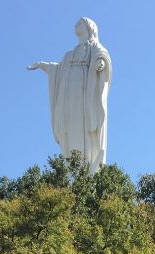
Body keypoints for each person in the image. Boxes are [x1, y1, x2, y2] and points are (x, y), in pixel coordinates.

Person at [28, 17, 111, 173]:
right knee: (69, 125)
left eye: (79, 23)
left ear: (89, 27)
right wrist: (43, 65)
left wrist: (101, 62)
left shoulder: (93, 46)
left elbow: (103, 55)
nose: (75, 25)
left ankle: (86, 166)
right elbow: (58, 69)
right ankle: (73, 166)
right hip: (68, 95)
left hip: (83, 92)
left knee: (82, 124)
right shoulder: (69, 54)